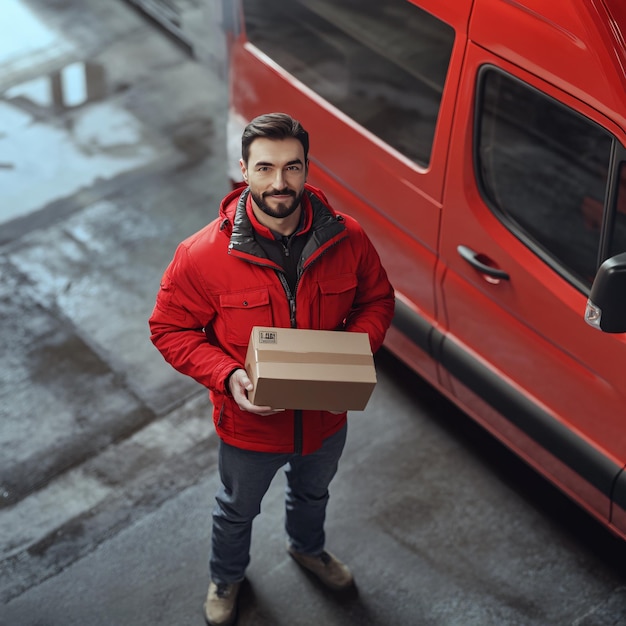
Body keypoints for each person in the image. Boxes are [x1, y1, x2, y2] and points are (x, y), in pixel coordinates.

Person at [149, 112, 394, 626]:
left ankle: (308, 549)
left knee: (313, 492)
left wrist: (347, 356)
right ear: (243, 170)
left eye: (291, 167)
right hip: (249, 427)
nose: (279, 182)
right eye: (264, 168)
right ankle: (227, 578)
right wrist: (228, 377)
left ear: (307, 170)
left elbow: (377, 299)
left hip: (326, 419)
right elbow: (169, 329)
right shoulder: (200, 256)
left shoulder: (347, 238)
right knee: (236, 512)